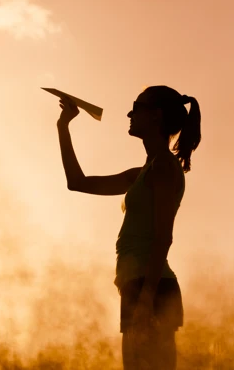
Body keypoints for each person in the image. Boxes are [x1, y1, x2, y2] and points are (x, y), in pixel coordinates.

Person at [56, 86, 201, 369]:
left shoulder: (164, 169)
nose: (129, 114)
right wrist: (63, 126)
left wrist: (147, 298)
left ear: (156, 116)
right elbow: (77, 182)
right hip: (139, 285)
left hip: (152, 287)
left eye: (136, 107)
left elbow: (163, 237)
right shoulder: (143, 172)